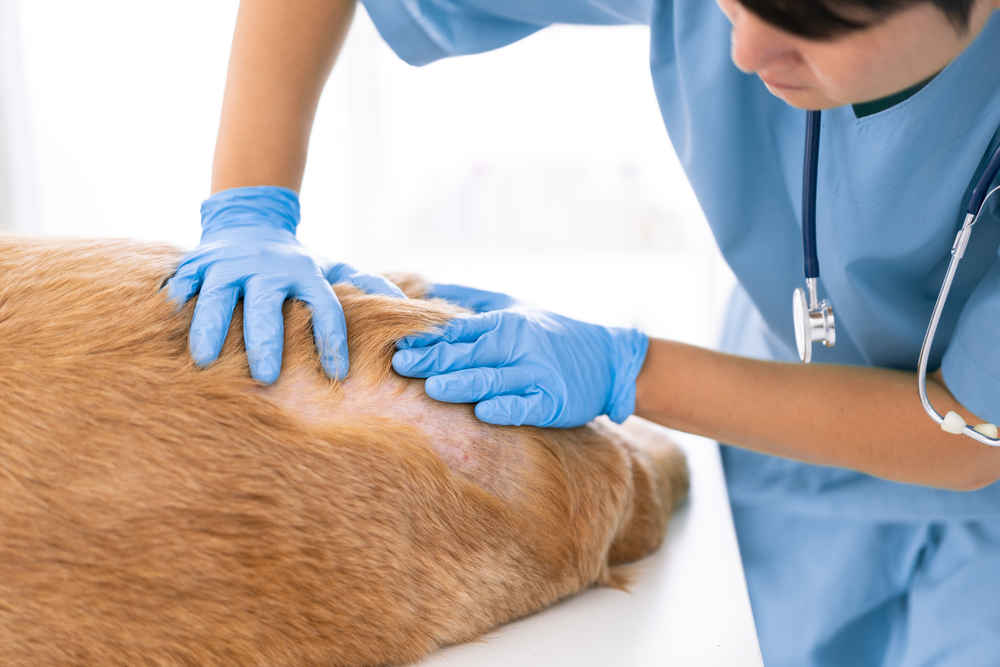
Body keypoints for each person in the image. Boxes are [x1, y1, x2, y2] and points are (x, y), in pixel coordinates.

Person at [164, 1, 1000, 664]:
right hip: (781, 435)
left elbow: (970, 433)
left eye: (818, 22)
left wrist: (626, 371)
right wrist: (250, 202)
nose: (744, 51)